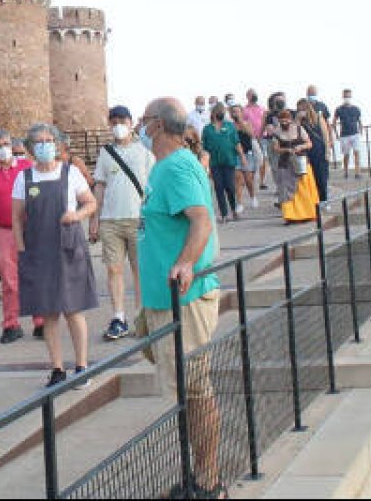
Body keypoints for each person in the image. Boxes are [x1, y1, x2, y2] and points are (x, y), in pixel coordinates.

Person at [137, 97, 224, 499]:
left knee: (195, 391)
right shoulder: (167, 167)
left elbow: (201, 219)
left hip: (184, 301)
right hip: (164, 298)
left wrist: (186, 264)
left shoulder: (175, 167)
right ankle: (199, 477)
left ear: (156, 125)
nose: (139, 128)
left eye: (143, 122)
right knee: (188, 391)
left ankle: (209, 483)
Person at [12, 124, 101, 388]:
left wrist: (78, 215)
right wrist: (20, 249)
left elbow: (91, 202)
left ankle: (82, 366)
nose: (44, 145)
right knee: (49, 312)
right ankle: (57, 368)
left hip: (68, 247)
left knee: (73, 309)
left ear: (58, 144)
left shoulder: (71, 173)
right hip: (38, 250)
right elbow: (17, 218)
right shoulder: (24, 178)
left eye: (49, 140)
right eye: (38, 142)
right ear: (30, 149)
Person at [90, 106, 155, 341]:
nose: (117, 125)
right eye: (113, 121)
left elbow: (153, 184)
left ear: (130, 122)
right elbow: (100, 185)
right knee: (113, 269)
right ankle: (119, 316)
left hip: (138, 217)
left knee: (140, 270)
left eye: (121, 120)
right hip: (111, 219)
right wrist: (94, 218)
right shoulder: (106, 152)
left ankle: (141, 316)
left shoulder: (145, 151)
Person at [0, 130, 41, 343]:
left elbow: (39, 197)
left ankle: (40, 321)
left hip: (29, 228)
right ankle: (11, 324)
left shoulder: (26, 167)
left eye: (6, 143)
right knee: (10, 281)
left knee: (33, 275)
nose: (3, 148)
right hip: (3, 231)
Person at [202, 104, 246, 223]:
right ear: (213, 113)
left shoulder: (230, 126)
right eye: (219, 111)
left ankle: (234, 210)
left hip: (229, 160)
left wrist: (242, 157)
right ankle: (224, 213)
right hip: (214, 163)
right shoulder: (207, 129)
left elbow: (236, 142)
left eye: (222, 111)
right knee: (219, 187)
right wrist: (204, 165)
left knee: (230, 187)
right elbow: (205, 149)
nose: (221, 113)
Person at [272, 111, 319, 223]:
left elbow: (309, 143)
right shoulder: (276, 132)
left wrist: (301, 147)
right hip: (285, 164)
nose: (284, 122)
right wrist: (286, 150)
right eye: (282, 120)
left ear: (291, 120)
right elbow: (276, 149)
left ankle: (307, 213)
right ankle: (291, 216)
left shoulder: (299, 129)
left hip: (301, 163)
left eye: (286, 120)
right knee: (286, 190)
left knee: (303, 189)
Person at [296, 99, 332, 203]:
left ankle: (324, 200)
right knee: (311, 178)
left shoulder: (318, 118)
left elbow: (325, 136)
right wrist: (298, 120)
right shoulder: (299, 122)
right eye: (299, 110)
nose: (301, 112)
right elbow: (295, 135)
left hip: (319, 150)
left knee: (322, 177)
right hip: (306, 152)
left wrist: (327, 152)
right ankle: (314, 201)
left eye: (302, 109)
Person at [230, 105, 259, 209]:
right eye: (233, 112)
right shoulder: (230, 125)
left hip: (248, 154)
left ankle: (253, 197)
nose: (235, 113)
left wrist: (241, 122)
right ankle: (239, 203)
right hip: (235, 155)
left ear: (242, 113)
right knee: (238, 179)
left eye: (237, 111)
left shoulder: (247, 123)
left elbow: (251, 134)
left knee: (248, 179)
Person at [332, 89, 364, 179]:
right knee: (346, 154)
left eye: (349, 96)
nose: (347, 98)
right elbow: (334, 122)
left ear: (351, 97)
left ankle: (357, 173)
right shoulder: (339, 109)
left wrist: (361, 129)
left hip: (355, 134)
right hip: (344, 135)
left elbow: (359, 120)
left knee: (357, 152)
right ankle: (345, 171)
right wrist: (337, 134)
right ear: (343, 97)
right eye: (345, 96)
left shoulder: (356, 109)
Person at [243, 89, 268, 192]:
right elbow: (243, 123)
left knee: (264, 159)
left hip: (263, 137)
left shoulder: (262, 108)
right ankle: (251, 180)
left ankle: (262, 182)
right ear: (247, 96)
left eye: (255, 94)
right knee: (252, 159)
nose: (254, 95)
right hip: (250, 138)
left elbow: (266, 121)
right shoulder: (244, 110)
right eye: (252, 94)